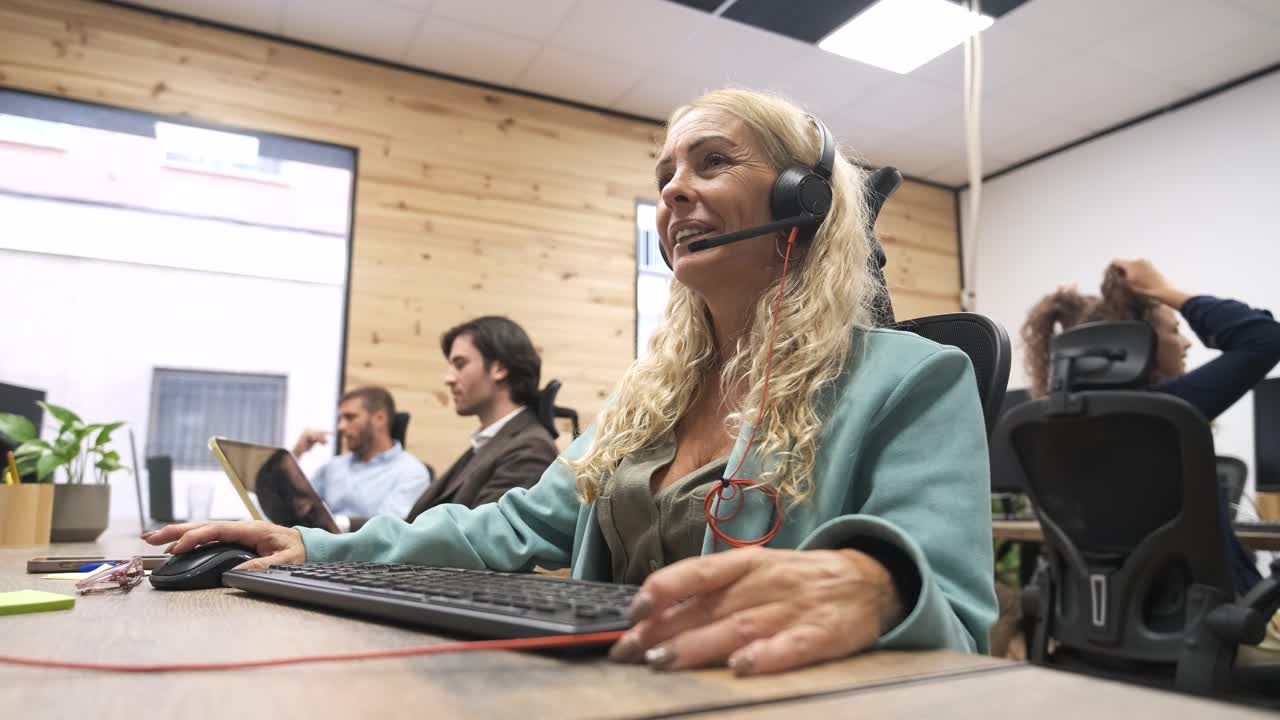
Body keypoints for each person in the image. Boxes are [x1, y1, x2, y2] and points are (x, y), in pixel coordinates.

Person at [146, 88, 996, 675]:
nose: (675, 193)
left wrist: (881, 583)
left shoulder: (914, 379)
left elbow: (957, 615)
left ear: (801, 200)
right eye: (665, 176)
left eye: (710, 163)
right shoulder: (647, 403)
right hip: (612, 686)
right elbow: (503, 533)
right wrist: (317, 548)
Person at [1022, 258, 1280, 594]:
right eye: (1174, 330)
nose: (1187, 343)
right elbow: (1265, 337)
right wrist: (1161, 289)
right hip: (1215, 623)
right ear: (1142, 345)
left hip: (1107, 627)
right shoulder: (1165, 412)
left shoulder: (1052, 427)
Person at [404, 317, 559, 519]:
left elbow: (479, 541)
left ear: (500, 369)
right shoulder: (490, 442)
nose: (448, 378)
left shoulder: (531, 449)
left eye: (460, 365)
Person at [292, 386, 429, 532]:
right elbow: (296, 504)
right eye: (340, 419)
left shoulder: (412, 472)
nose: (341, 427)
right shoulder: (333, 466)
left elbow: (388, 528)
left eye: (350, 417)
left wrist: (335, 523)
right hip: (320, 547)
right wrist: (297, 452)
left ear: (379, 419)